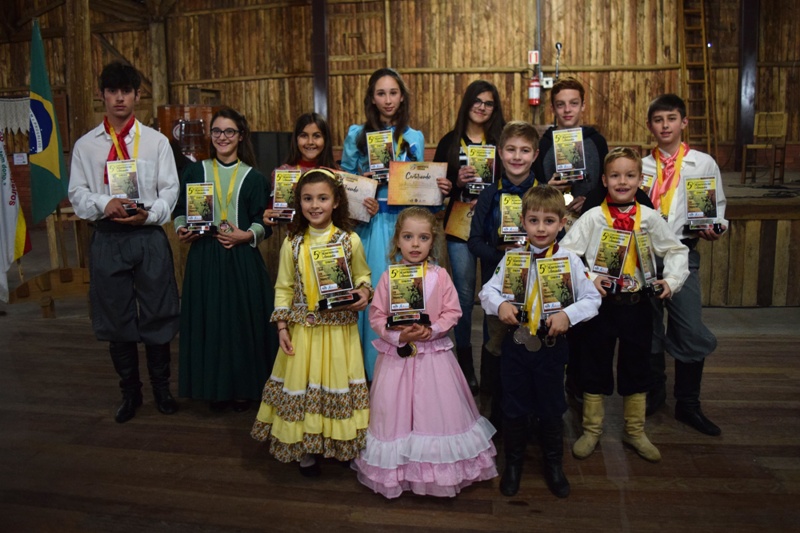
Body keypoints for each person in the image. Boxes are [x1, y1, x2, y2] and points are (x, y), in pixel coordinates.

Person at [353, 207, 497, 498]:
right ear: (397, 241)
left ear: (433, 242)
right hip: (398, 358)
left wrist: (432, 331)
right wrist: (398, 335)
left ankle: (435, 470)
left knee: (434, 411)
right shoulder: (388, 278)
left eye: (423, 238)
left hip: (433, 357)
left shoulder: (440, 276)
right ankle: (401, 467)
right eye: (408, 237)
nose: (415, 244)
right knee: (395, 414)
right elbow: (377, 316)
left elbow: (452, 311)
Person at [560, 147, 689, 464]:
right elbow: (565, 254)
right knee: (594, 362)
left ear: (639, 179)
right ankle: (592, 430)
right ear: (604, 180)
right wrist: (588, 278)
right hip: (600, 308)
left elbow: (675, 250)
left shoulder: (650, 219)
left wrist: (671, 281)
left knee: (637, 363)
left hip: (638, 305)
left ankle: (634, 430)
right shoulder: (592, 218)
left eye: (629, 175)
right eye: (615, 175)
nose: (622, 181)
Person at [68, 61, 180, 423]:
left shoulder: (156, 142)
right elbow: (77, 194)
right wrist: (105, 203)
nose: (119, 97)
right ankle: (130, 393)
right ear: (102, 95)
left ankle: (162, 389)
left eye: (126, 91)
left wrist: (150, 214)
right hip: (108, 236)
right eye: (112, 91)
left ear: (136, 95)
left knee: (158, 312)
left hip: (147, 235)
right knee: (116, 317)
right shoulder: (86, 146)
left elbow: (170, 191)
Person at [479, 186, 600, 498]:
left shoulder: (571, 261)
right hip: (516, 346)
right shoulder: (512, 258)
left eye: (549, 221)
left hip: (550, 347)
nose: (541, 228)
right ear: (523, 221)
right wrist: (500, 306)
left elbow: (592, 299)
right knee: (514, 406)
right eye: (534, 220)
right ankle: (514, 464)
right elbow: (486, 292)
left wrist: (568, 315)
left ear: (562, 223)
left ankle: (553, 464)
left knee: (551, 406)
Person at [251, 169, 372, 476]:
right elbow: (284, 287)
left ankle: (341, 443)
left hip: (338, 332)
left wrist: (363, 292)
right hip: (304, 332)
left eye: (322, 198)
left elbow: (363, 276)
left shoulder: (350, 241)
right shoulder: (293, 243)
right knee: (304, 388)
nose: (314, 205)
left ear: (336, 202)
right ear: (299, 202)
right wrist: (281, 326)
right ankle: (306, 448)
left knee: (336, 385)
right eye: (307, 198)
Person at [341, 67, 451, 380]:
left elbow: (420, 187)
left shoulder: (414, 137)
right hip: (372, 225)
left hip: (406, 225)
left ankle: (410, 365)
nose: (387, 99)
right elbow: (344, 187)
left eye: (393, 93)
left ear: (401, 97)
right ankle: (375, 372)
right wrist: (362, 187)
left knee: (409, 293)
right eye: (381, 93)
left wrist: (438, 190)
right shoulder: (356, 135)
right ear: (372, 99)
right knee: (378, 294)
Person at [173, 107, 277, 412]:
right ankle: (213, 389)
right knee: (211, 322)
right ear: (211, 135)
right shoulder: (195, 171)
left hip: (241, 259)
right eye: (217, 131)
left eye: (229, 131)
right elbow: (180, 209)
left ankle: (244, 387)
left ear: (240, 136)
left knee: (241, 324)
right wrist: (181, 227)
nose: (222, 137)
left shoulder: (254, 178)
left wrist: (247, 235)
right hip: (204, 256)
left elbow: (263, 222)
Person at [642, 94, 728, 436]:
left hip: (682, 252)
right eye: (659, 120)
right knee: (647, 328)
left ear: (684, 122)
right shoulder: (640, 166)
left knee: (690, 327)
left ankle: (688, 404)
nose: (665, 125)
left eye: (672, 119)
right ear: (650, 126)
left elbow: (717, 210)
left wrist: (715, 228)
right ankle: (653, 393)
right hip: (645, 257)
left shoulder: (703, 164)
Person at [433, 80, 506, 395]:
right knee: (463, 296)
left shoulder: (501, 140)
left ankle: (493, 360)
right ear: (467, 103)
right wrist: (453, 181)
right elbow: (437, 189)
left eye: (488, 103)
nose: (482, 107)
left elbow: (511, 180)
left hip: (493, 227)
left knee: (492, 293)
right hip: (460, 225)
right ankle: (465, 362)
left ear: (494, 108)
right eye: (477, 101)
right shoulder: (450, 142)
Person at [467, 121, 540, 430]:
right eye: (511, 149)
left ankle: (534, 411)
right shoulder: (488, 196)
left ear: (535, 155)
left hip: (537, 286)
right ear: (500, 152)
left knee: (534, 341)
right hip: (498, 285)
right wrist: (506, 259)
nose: (517, 156)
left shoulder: (545, 193)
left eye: (524, 151)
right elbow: (473, 242)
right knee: (496, 341)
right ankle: (495, 410)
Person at [261, 113, 377, 223]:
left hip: (332, 241)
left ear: (325, 140)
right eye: (304, 136)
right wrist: (268, 216)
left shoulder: (339, 175)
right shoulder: (283, 173)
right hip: (297, 241)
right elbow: (275, 213)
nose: (310, 142)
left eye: (316, 136)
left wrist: (367, 206)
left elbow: (349, 218)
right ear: (295, 139)